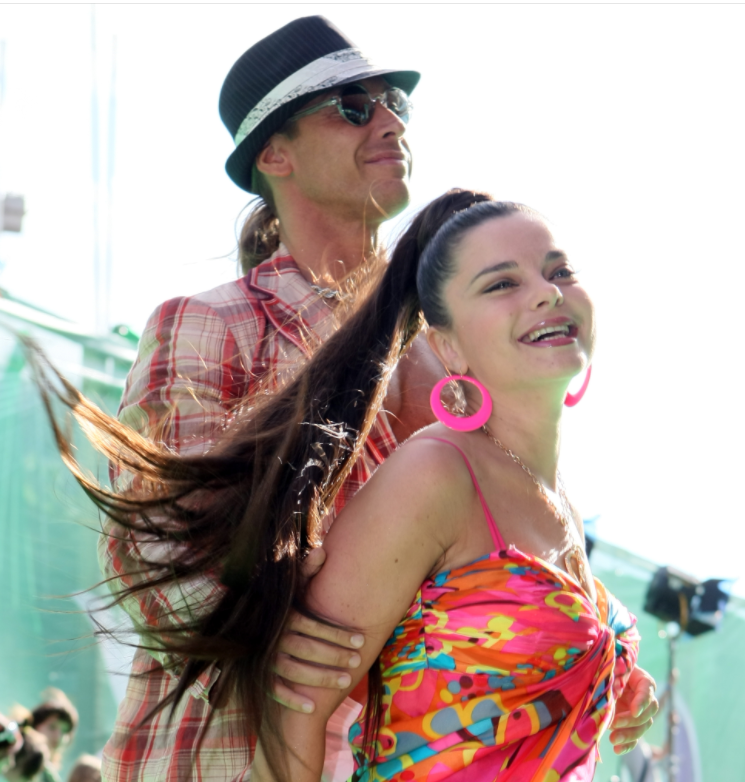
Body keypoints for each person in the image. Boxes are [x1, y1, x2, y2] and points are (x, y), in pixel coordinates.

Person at [36, 189, 659, 781]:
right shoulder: (438, 466)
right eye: (501, 283)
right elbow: (158, 556)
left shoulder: (550, 496)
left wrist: (604, 666)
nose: (547, 293)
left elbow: (492, 633)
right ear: (446, 346)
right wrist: (272, 625)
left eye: (560, 271)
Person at [100, 15, 440, 782]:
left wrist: (596, 651)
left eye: (394, 104)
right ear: (274, 154)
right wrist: (268, 637)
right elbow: (150, 547)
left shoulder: (450, 353)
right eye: (353, 106)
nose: (390, 122)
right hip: (231, 756)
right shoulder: (210, 323)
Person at [28, 690, 76, 782]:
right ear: (36, 725)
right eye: (52, 727)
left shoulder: (49, 774)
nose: (58, 736)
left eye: (64, 731)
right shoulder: (13, 757)